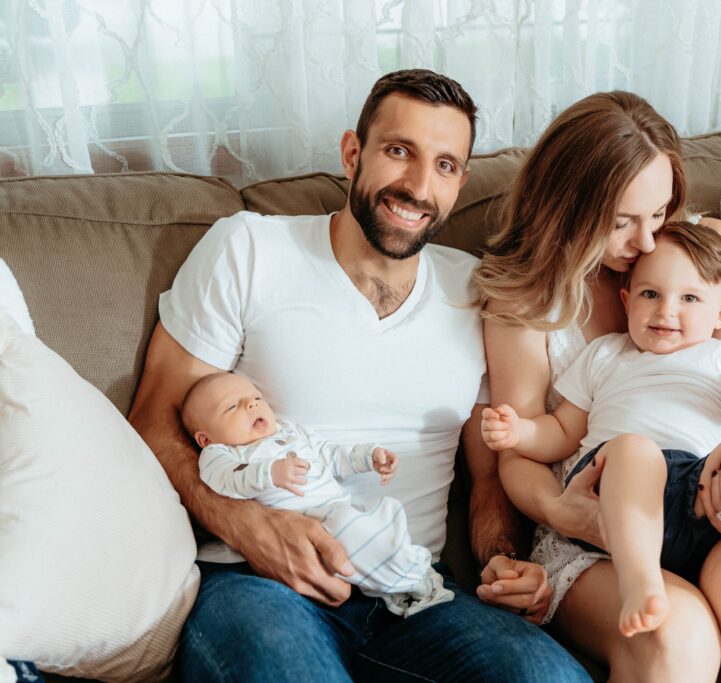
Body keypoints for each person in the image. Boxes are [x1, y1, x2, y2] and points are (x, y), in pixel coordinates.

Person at [128, 69, 589, 682]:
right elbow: (151, 422)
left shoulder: (479, 291)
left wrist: (506, 562)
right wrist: (251, 527)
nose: (420, 186)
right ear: (353, 153)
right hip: (261, 584)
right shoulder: (250, 250)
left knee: (547, 677)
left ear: (461, 182)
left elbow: (488, 476)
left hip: (416, 591)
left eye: (445, 165)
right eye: (400, 152)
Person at [474, 91, 721, 682]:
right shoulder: (522, 302)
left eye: (660, 212)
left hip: (714, 491)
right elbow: (519, 448)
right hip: (600, 525)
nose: (648, 242)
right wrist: (561, 511)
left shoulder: (706, 248)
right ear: (567, 206)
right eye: (622, 221)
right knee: (674, 632)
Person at [480, 221, 721, 638]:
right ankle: (641, 581)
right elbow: (562, 431)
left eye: (689, 298)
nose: (666, 310)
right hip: (612, 495)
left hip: (698, 490)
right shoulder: (605, 355)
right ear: (626, 299)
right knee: (634, 449)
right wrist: (520, 433)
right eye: (650, 294)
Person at [182, 371, 455, 617]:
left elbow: (332, 455)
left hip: (334, 509)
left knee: (366, 527)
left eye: (256, 397)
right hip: (300, 533)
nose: (251, 404)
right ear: (205, 439)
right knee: (353, 531)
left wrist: (368, 456)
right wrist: (269, 473)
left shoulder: (291, 431)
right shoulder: (220, 454)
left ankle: (406, 575)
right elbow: (222, 480)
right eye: (232, 406)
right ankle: (412, 579)